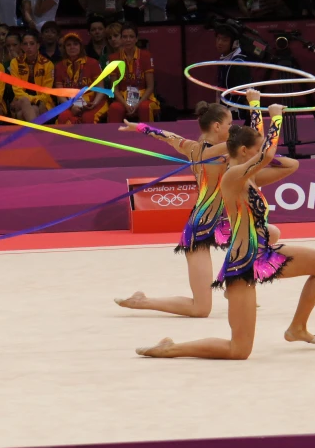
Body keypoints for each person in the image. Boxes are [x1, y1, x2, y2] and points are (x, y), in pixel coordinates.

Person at [136, 105, 315, 359]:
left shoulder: (250, 177)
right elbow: (266, 155)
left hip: (263, 254)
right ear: (245, 152)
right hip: (242, 266)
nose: (261, 156)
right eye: (255, 152)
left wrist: (260, 147)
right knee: (239, 350)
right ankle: (172, 348)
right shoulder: (232, 177)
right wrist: (272, 115)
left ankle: (297, 327)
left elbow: (290, 164)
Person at [115, 90, 273, 318]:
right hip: (199, 231)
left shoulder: (191, 147)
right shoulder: (220, 150)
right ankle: (143, 301)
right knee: (201, 309)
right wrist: (255, 103)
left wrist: (139, 127)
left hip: (222, 223)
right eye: (229, 123)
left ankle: (235, 282)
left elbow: (166, 135)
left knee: (268, 234)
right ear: (217, 126)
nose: (234, 127)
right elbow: (256, 142)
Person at [9, 32, 55, 122]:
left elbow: (46, 93)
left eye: (32, 43)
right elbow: (17, 90)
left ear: (38, 45)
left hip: (42, 102)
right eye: (25, 44)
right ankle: (38, 134)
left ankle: (32, 134)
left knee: (23, 113)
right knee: (24, 100)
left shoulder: (48, 64)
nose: (28, 47)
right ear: (22, 46)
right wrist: (35, 100)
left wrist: (36, 101)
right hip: (20, 101)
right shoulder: (15, 63)